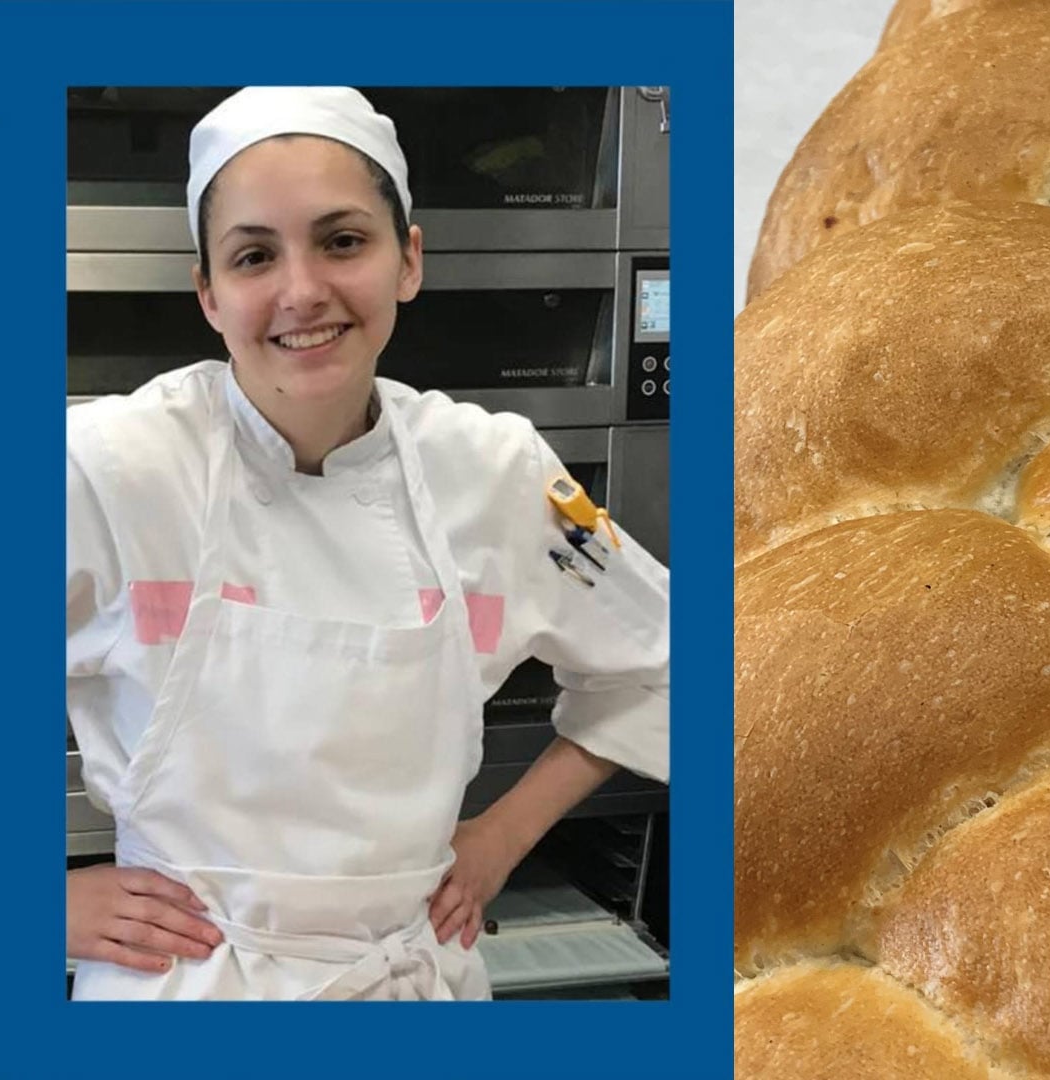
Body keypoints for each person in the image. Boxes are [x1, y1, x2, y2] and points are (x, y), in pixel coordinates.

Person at [63, 86, 670, 1000]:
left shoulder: (493, 471)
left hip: (409, 975)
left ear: (407, 260)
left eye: (343, 241)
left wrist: (499, 839)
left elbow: (669, 660)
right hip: (185, 983)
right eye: (254, 255)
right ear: (209, 294)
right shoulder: (110, 468)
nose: (302, 290)